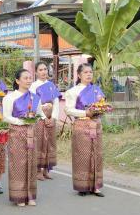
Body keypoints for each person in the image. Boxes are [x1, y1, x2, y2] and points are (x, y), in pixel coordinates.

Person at [2, 68, 43, 207]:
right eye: (25, 78)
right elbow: (6, 116)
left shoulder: (35, 97)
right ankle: (19, 195)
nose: (29, 80)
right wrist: (21, 121)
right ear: (17, 80)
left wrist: (40, 118)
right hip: (16, 132)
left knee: (31, 162)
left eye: (30, 77)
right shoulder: (9, 97)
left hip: (31, 133)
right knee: (18, 163)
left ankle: (30, 195)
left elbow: (39, 113)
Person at [64, 63, 104, 197]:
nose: (89, 74)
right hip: (81, 126)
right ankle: (82, 186)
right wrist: (85, 113)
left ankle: (96, 186)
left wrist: (101, 110)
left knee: (96, 154)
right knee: (82, 155)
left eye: (91, 72)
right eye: (86, 72)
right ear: (79, 75)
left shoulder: (96, 90)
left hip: (96, 125)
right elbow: (68, 109)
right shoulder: (73, 91)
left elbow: (102, 105)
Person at [30, 61, 61, 180]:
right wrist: (43, 117)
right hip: (40, 119)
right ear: (36, 72)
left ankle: (46, 169)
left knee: (50, 143)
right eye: (41, 70)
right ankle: (38, 170)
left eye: (45, 69)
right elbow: (35, 103)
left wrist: (53, 117)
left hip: (51, 118)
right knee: (40, 143)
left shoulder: (51, 85)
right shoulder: (33, 86)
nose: (44, 72)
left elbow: (56, 102)